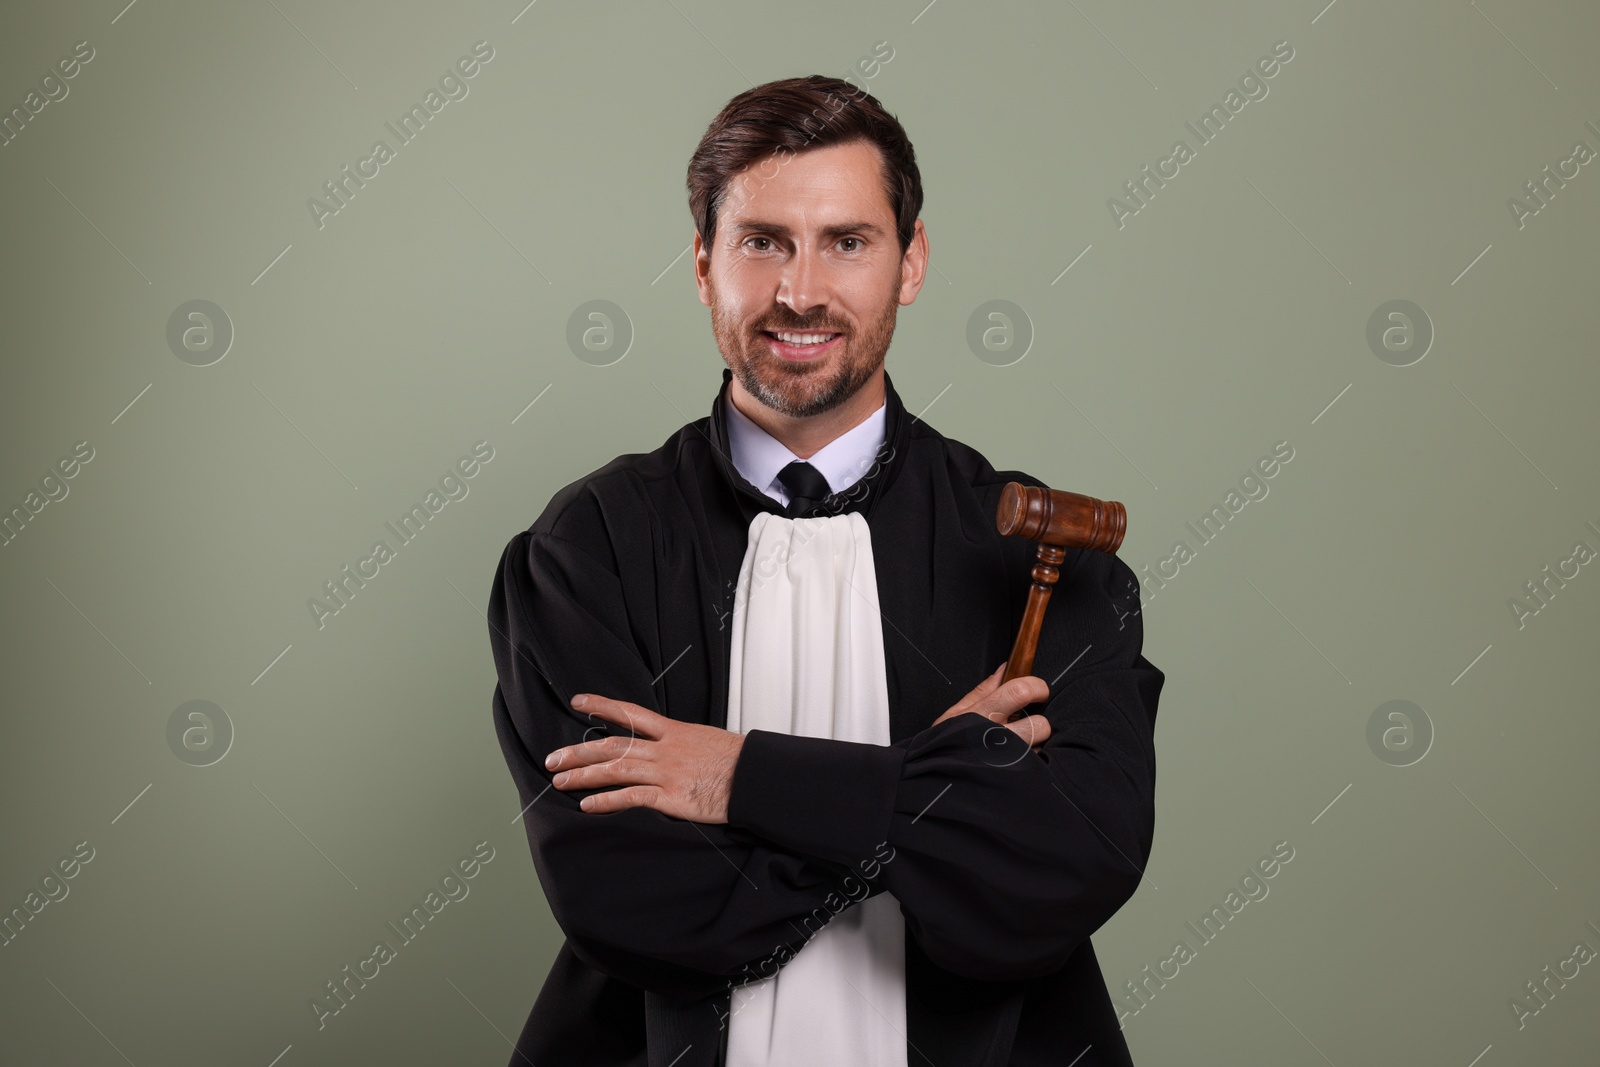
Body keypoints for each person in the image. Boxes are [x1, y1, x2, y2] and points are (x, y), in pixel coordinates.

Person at [488, 74, 1164, 1067]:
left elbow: (1060, 870)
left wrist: (737, 776)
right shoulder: (588, 548)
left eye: (847, 241)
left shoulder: (1041, 558)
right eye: (762, 240)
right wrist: (934, 791)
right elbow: (634, 900)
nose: (799, 290)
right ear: (702, 262)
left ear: (911, 262)